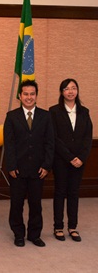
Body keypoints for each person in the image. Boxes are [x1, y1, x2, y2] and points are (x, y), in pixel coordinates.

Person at [3, 79, 54, 247]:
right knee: (16, 204)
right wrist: (11, 166)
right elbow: (9, 144)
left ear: (36, 96)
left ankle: (34, 234)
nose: (29, 97)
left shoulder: (46, 116)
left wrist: (47, 166)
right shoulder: (11, 117)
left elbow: (50, 143)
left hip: (38, 169)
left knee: (36, 204)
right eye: (26, 94)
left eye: (32, 94)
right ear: (20, 96)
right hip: (17, 169)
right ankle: (18, 234)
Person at [49, 78, 92, 242]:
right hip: (61, 159)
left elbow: (88, 138)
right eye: (66, 89)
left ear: (77, 91)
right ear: (61, 92)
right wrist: (69, 157)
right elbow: (54, 137)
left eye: (74, 88)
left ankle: (72, 227)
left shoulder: (84, 112)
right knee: (60, 192)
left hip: (79, 161)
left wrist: (80, 158)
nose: (70, 91)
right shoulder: (54, 111)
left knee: (74, 193)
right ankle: (58, 227)